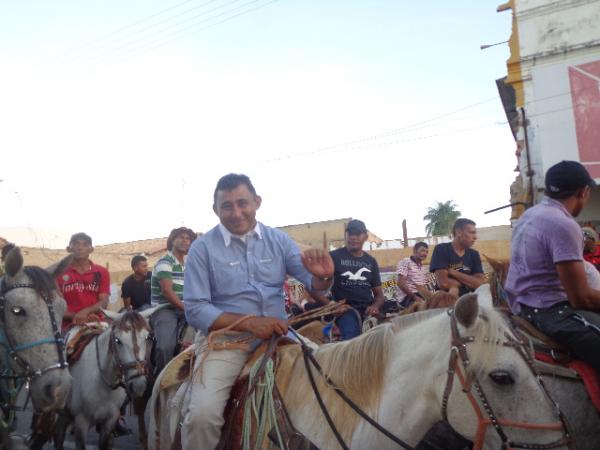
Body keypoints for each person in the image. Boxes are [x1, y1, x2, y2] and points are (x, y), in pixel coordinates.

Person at [181, 173, 334, 449]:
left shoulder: (279, 241)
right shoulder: (201, 250)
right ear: (215, 209)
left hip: (279, 336)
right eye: (226, 206)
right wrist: (250, 324)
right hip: (226, 343)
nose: (236, 213)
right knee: (202, 417)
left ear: (257, 202)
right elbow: (196, 309)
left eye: (243, 203)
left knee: (331, 384)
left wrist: (323, 277)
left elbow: (314, 282)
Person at [505, 160, 600, 373]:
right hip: (550, 312)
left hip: (522, 305)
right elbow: (581, 298)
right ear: (583, 192)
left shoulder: (529, 216)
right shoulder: (564, 225)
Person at [311, 219, 385, 340]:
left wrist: (375, 307)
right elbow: (314, 288)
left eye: (357, 234)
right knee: (352, 339)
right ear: (346, 235)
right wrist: (332, 306)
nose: (353, 237)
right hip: (345, 309)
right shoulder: (333, 257)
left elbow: (379, 295)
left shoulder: (371, 261)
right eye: (350, 234)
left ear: (365, 237)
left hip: (368, 309)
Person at [150, 226, 197, 376]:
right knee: (165, 346)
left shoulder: (188, 264)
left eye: (188, 238)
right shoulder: (165, 261)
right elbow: (167, 291)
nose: (185, 241)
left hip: (186, 308)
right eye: (181, 237)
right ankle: (160, 380)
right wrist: (187, 308)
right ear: (172, 240)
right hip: (166, 309)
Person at [56, 232, 110, 328]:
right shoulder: (58, 274)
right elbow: (56, 307)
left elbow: (104, 302)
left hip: (97, 323)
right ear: (68, 249)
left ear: (91, 249)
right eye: (76, 244)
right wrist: (78, 316)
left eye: (85, 245)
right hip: (68, 326)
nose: (80, 248)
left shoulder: (102, 272)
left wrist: (87, 312)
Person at [429, 218, 485, 297]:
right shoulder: (441, 249)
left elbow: (480, 284)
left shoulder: (474, 254)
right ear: (458, 232)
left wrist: (454, 273)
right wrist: (470, 282)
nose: (475, 237)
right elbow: (443, 283)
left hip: (470, 300)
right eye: (471, 232)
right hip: (445, 301)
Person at [396, 241, 430, 307]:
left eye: (427, 252)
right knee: (422, 308)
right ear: (414, 251)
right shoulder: (405, 261)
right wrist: (415, 297)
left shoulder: (423, 268)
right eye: (422, 250)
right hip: (407, 297)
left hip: (420, 296)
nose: (425, 254)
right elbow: (400, 283)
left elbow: (422, 287)